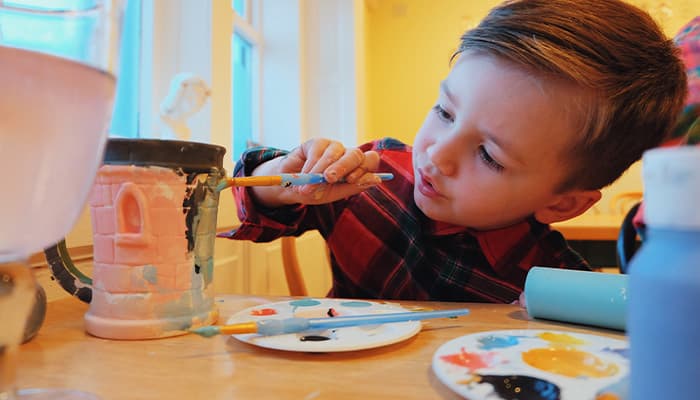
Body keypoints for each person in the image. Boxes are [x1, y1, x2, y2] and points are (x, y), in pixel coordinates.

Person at [220, 0, 687, 303]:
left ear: (562, 203)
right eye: (444, 111)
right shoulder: (371, 183)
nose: (437, 155)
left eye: (489, 156)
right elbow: (252, 215)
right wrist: (286, 182)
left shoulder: (553, 284)